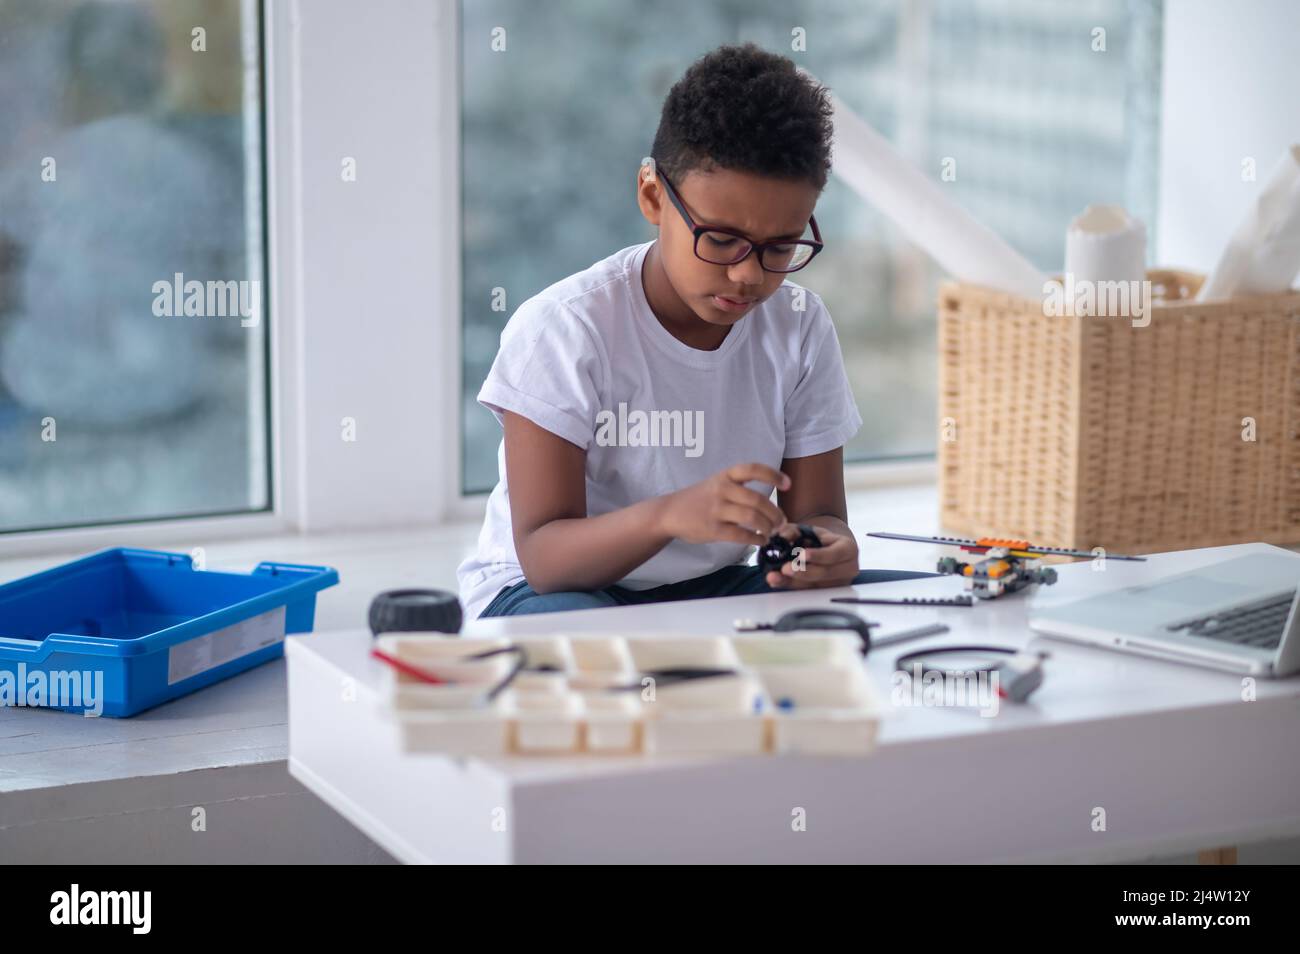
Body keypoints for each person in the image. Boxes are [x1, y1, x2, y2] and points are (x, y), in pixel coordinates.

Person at [458, 43, 928, 619]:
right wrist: (668, 515)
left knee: (910, 603)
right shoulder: (566, 329)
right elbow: (545, 558)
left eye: (780, 246)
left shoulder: (800, 327)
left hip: (712, 586)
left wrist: (826, 552)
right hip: (547, 592)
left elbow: (819, 518)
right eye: (722, 238)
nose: (749, 273)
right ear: (653, 195)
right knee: (586, 638)